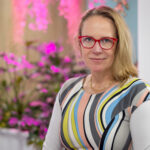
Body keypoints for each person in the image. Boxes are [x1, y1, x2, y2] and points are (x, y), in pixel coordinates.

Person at [42, 6, 150, 150]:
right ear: (80, 44)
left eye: (105, 40)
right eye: (88, 39)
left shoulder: (137, 93)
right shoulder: (68, 90)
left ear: (118, 45)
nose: (96, 49)